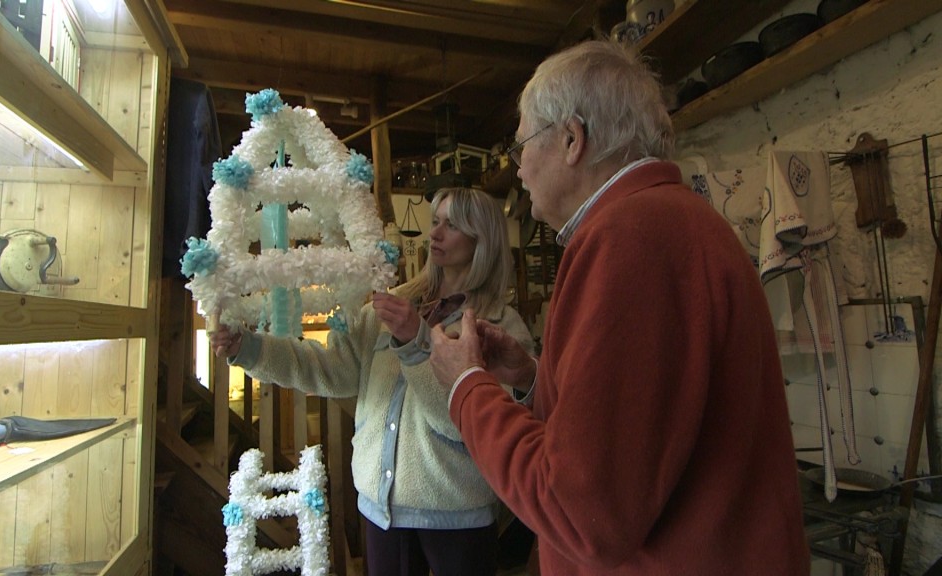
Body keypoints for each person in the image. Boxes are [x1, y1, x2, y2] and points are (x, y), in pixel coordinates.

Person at [427, 40, 811, 575]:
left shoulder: (632, 237)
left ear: (570, 140)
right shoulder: (664, 221)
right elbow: (641, 425)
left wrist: (466, 385)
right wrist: (536, 379)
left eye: (521, 149)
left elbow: (581, 512)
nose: (518, 171)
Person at [209, 187, 535, 576]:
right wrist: (250, 348)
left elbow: (475, 426)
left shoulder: (500, 326)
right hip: (379, 511)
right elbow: (327, 368)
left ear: (482, 239)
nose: (434, 233)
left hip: (459, 517)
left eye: (452, 225)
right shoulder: (388, 307)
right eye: (434, 222)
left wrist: (415, 343)